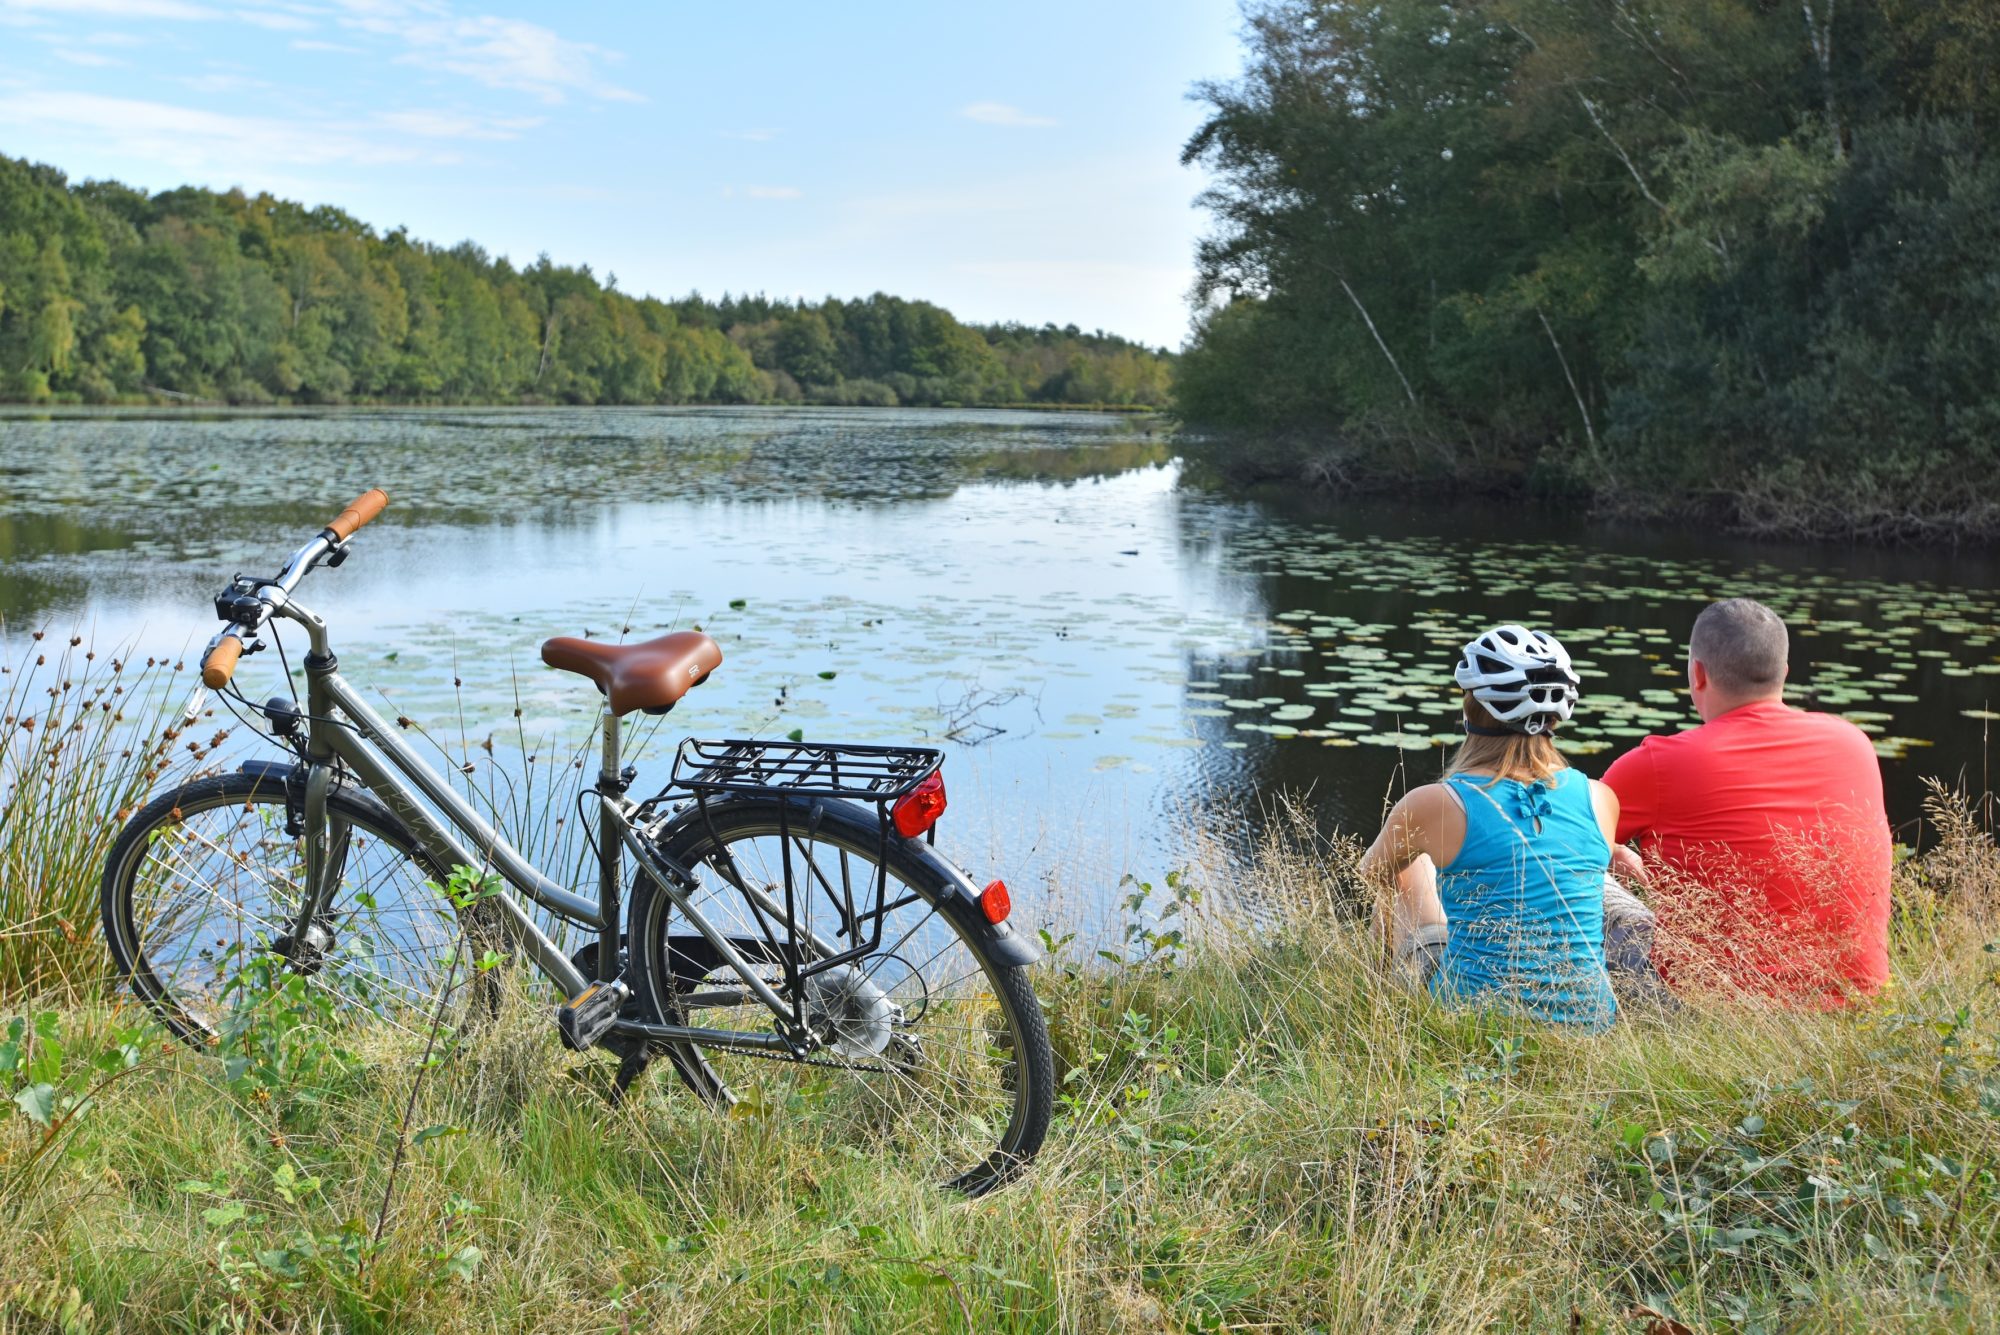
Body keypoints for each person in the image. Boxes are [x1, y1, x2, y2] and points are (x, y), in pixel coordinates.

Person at [1602, 597, 1891, 1006]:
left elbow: (1558, 839)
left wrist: (1611, 850)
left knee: (1579, 883)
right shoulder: (1854, 743)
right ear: (1784, 672)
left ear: (1697, 674)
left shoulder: (1659, 763)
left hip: (1713, 1009)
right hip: (1855, 1005)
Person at [1362, 625, 1620, 1029]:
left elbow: (1368, 873)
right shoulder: (1599, 797)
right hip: (1589, 1023)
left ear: (1471, 708)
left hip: (1471, 1021)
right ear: (1556, 715)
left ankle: (1372, 1002)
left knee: (1408, 867)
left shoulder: (1434, 804)